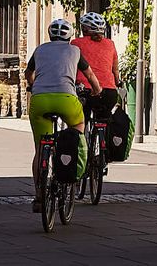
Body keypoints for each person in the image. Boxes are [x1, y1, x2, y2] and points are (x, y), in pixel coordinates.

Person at [25, 16, 102, 211]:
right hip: (67, 99)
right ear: (70, 36)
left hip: (40, 100)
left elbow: (29, 73)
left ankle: (39, 196)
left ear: (50, 35)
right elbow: (90, 75)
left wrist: (33, 85)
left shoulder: (40, 50)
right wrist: (97, 90)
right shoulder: (74, 51)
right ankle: (74, 159)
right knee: (78, 127)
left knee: (39, 149)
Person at [75, 12, 121, 125]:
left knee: (81, 121)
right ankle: (104, 139)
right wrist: (116, 83)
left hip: (85, 91)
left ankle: (83, 139)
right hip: (109, 92)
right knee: (105, 119)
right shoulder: (110, 44)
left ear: (85, 29)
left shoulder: (76, 43)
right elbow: (115, 70)